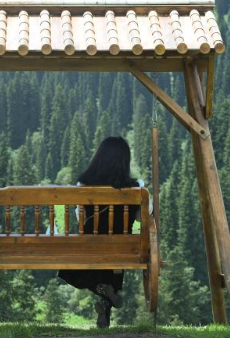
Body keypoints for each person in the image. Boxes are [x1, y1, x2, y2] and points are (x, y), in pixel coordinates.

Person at [57, 136, 146, 328]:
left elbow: (78, 215)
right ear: (125, 159)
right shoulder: (136, 185)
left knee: (82, 264)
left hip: (91, 245)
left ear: (99, 157)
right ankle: (105, 299)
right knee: (115, 257)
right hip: (122, 246)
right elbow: (143, 217)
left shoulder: (84, 183)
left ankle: (101, 291)